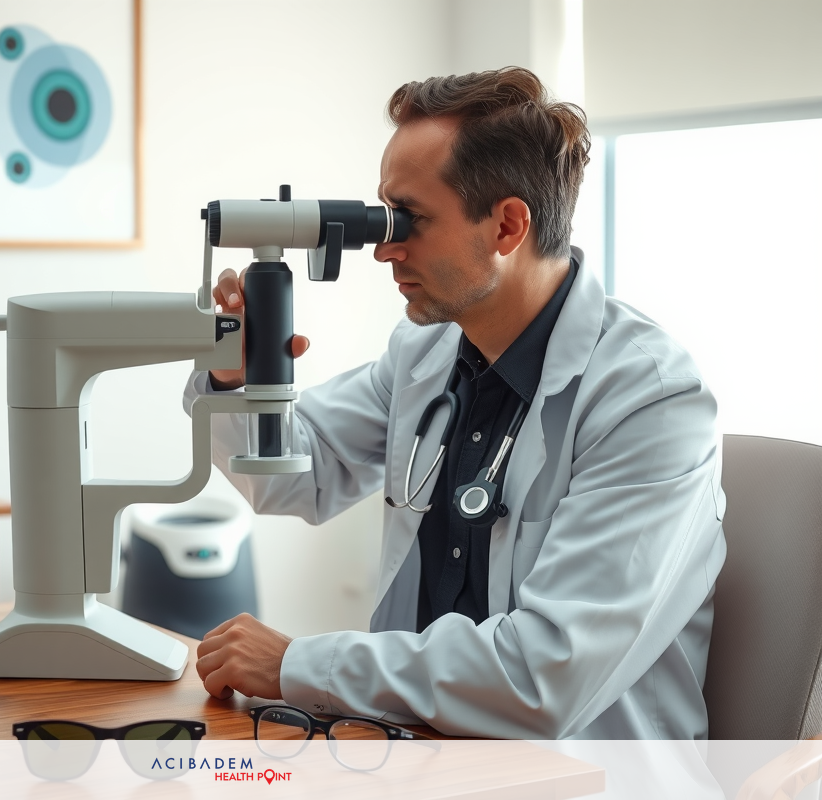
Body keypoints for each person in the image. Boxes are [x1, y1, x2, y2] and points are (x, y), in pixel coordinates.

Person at [185, 67, 726, 739]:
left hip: (583, 776)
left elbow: (544, 678)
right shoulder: (426, 354)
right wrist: (239, 382)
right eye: (385, 214)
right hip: (416, 752)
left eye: (408, 219)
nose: (383, 247)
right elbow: (296, 478)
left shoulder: (650, 400)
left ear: (506, 225)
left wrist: (301, 663)